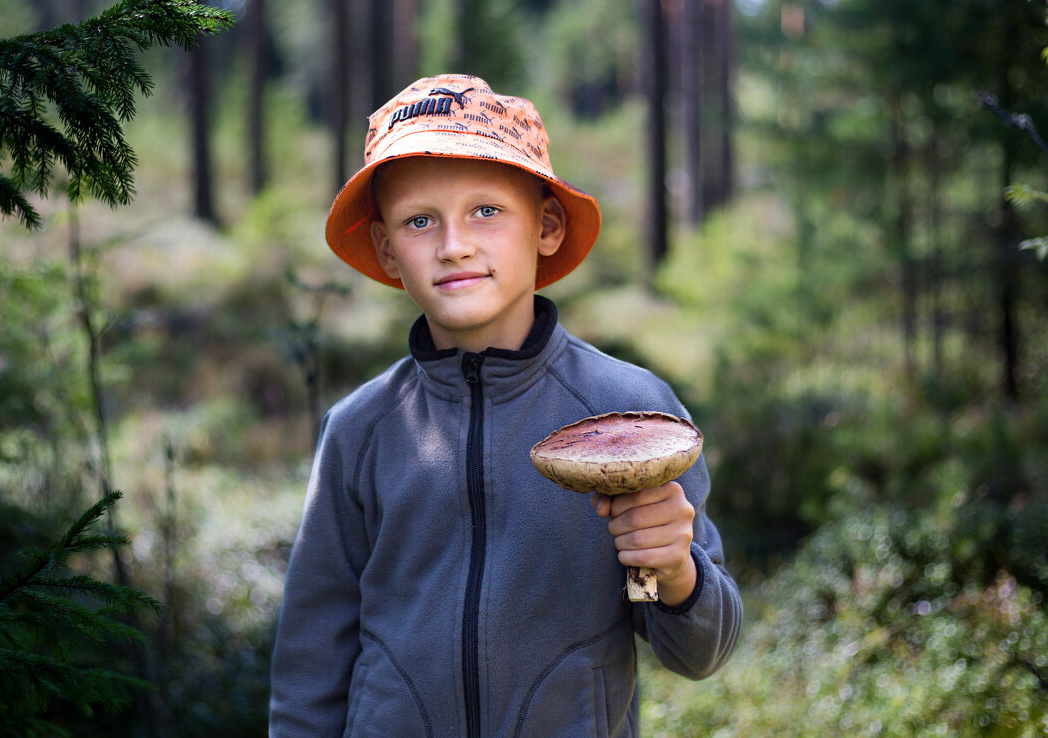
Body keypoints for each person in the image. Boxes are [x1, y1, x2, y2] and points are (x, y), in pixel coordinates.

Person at [268, 74, 741, 738]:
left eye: (486, 211)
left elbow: (703, 652)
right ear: (385, 249)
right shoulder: (358, 431)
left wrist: (677, 571)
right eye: (419, 220)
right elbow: (310, 664)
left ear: (546, 226)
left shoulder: (631, 413)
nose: (454, 244)